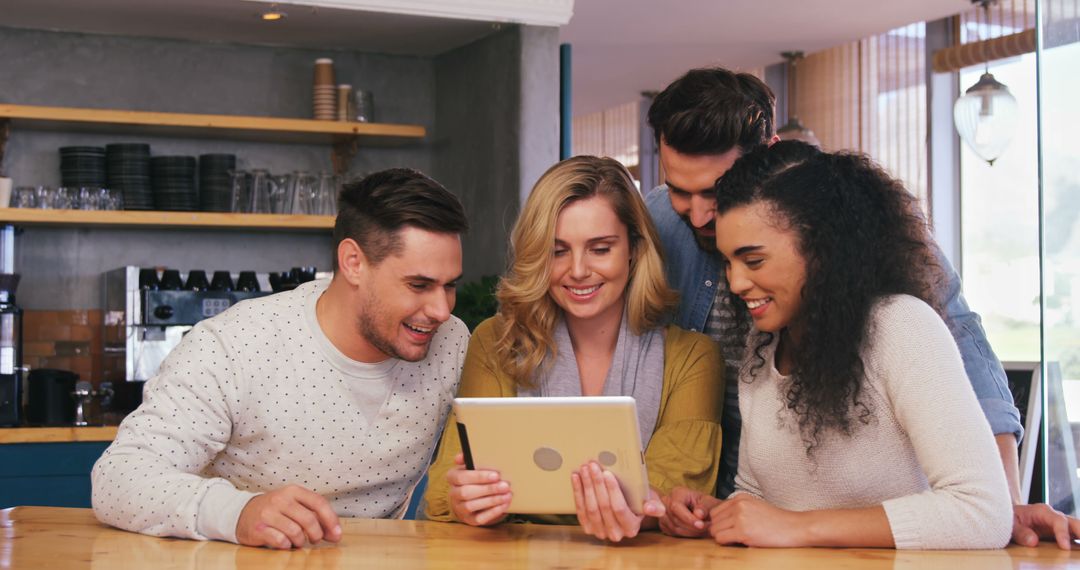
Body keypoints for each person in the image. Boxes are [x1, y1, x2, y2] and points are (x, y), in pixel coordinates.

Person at [646, 67, 1080, 548]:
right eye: (680, 191)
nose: (701, 212)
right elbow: (756, 489)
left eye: (716, 190)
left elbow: (967, 362)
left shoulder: (893, 308)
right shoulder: (753, 336)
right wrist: (724, 513)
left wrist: (1004, 503)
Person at [92, 168, 471, 549]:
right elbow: (120, 478)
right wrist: (238, 513)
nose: (441, 309)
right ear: (353, 262)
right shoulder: (234, 344)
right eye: (418, 285)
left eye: (450, 285)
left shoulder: (451, 343)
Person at [706, 141, 1011, 548]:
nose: (736, 282)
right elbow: (757, 493)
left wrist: (799, 528)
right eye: (728, 262)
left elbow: (983, 511)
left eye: (754, 260)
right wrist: (721, 513)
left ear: (822, 248)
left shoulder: (901, 326)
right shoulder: (761, 347)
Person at [422, 156, 722, 542]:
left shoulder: (693, 358)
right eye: (557, 250)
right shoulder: (496, 341)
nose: (577, 270)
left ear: (633, 248)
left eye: (600, 249)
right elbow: (448, 485)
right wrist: (466, 502)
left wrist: (649, 507)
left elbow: (672, 496)